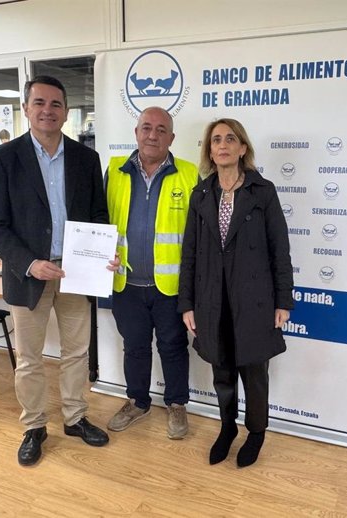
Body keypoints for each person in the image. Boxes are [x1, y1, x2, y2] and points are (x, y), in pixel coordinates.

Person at [0, 75, 109, 467]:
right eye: (39, 103)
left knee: (76, 352)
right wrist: (29, 263)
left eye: (55, 104)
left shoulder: (86, 158)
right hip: (28, 275)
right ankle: (34, 426)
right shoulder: (5, 158)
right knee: (30, 358)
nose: (47, 110)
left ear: (66, 112)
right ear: (26, 109)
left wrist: (104, 251)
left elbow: (99, 217)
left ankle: (74, 417)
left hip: (75, 273)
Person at [178, 118, 294, 467]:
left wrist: (283, 301)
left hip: (255, 301)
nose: (223, 145)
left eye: (231, 139)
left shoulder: (263, 191)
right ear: (209, 150)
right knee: (222, 373)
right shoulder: (201, 194)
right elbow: (190, 253)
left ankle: (255, 433)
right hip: (213, 301)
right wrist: (187, 303)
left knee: (254, 374)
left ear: (243, 148)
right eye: (216, 140)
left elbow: (280, 248)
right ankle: (227, 428)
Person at [104, 106, 198, 440]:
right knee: (135, 346)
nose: (153, 135)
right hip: (126, 281)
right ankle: (137, 401)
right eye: (146, 127)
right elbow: (99, 222)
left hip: (170, 286)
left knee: (173, 347)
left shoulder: (188, 174)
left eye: (161, 130)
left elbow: (198, 236)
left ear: (172, 137)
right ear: (136, 132)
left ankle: (177, 404)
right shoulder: (115, 170)